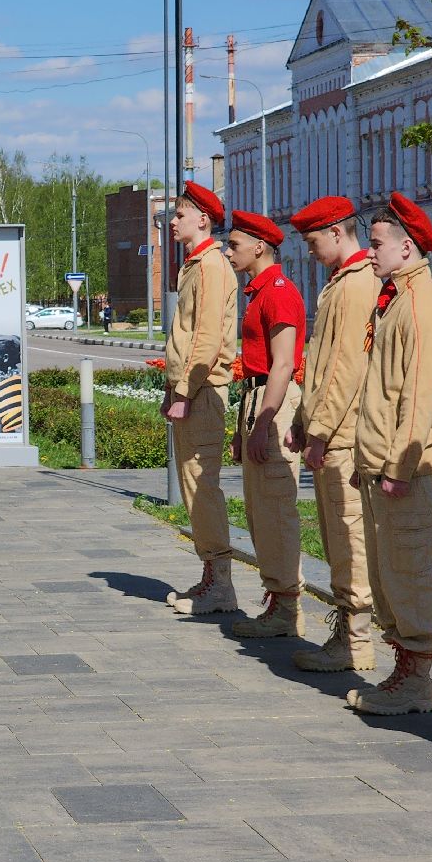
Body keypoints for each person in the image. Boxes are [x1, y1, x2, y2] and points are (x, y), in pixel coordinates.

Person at [346, 193, 432, 716]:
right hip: (382, 466)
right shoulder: (395, 298)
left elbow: (418, 398)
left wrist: (397, 467)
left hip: (406, 470)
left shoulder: (420, 304)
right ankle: (404, 673)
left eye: (377, 245)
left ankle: (416, 681)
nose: (370, 255)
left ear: (407, 247)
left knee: (410, 573)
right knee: (390, 571)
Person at [287, 197, 379, 673]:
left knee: (349, 538)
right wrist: (305, 421)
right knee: (336, 536)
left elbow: (345, 367)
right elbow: (323, 363)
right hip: (331, 432)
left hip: (343, 436)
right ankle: (349, 632)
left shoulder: (357, 284)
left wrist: (319, 429)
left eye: (314, 241)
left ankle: (356, 640)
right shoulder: (341, 283)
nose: (310, 251)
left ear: (338, 233)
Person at [224, 210, 307, 639]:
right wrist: (243, 427)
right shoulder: (258, 292)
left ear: (260, 247)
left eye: (234, 245)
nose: (228, 251)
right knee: (260, 510)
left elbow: (283, 365)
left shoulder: (277, 291)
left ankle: (287, 607)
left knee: (275, 507)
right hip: (257, 398)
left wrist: (263, 424)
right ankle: (278, 599)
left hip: (272, 400)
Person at [162, 181, 239, 615]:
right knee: (194, 488)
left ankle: (220, 584)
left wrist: (185, 391)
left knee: (201, 487)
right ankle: (212, 576)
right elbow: (186, 337)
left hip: (204, 389)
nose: (172, 222)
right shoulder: (196, 264)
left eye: (179, 215)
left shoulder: (210, 266)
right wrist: (172, 388)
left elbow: (206, 338)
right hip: (191, 388)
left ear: (202, 220)